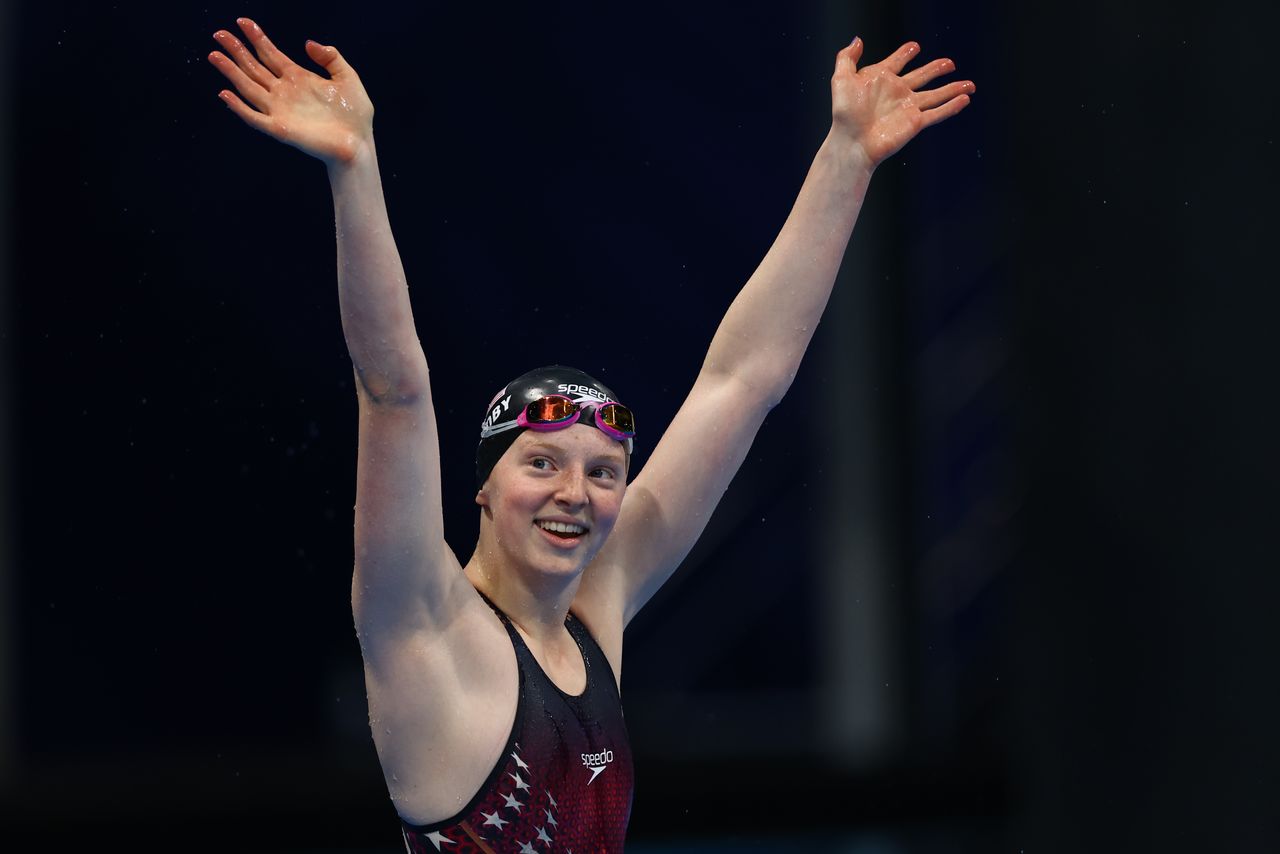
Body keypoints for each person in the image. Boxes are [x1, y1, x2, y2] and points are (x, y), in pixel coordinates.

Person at [207, 16, 973, 852]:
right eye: (542, 463)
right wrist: (354, 173)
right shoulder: (421, 625)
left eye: (605, 473)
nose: (576, 493)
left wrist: (845, 160)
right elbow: (394, 391)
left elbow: (743, 380)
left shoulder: (594, 610)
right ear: (483, 490)